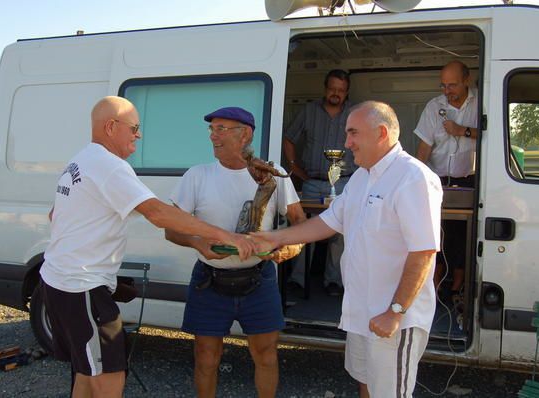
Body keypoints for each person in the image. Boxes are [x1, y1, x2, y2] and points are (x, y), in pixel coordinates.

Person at [39, 97, 256, 398]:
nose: (139, 135)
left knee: (87, 373)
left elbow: (55, 214)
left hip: (58, 283)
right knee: (110, 377)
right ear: (111, 126)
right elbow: (158, 213)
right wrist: (227, 236)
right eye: (135, 128)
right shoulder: (110, 166)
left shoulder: (80, 159)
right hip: (81, 288)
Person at [254, 101, 442, 398]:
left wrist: (395, 311)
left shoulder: (413, 177)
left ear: (381, 133)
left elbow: (424, 252)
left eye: (353, 133)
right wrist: (273, 239)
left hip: (393, 318)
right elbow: (328, 222)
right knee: (365, 384)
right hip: (362, 312)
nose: (346, 143)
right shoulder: (361, 177)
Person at [165, 107, 305, 398]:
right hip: (209, 279)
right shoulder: (197, 176)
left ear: (246, 135)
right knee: (205, 358)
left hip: (259, 278)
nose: (213, 136)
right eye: (211, 129)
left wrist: (293, 245)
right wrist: (196, 242)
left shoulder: (272, 174)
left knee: (266, 355)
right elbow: (171, 229)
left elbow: (300, 221)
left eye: (221, 129)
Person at [283, 69, 358, 296]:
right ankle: (298, 280)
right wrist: (296, 169)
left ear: (347, 92)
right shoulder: (309, 111)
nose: (336, 94)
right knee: (304, 229)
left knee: (340, 233)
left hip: (345, 183)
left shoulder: (355, 113)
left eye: (341, 90)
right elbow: (289, 138)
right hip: (312, 183)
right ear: (325, 89)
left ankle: (334, 281)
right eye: (332, 89)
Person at [414, 60, 478, 303]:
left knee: (462, 234)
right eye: (443, 85)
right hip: (438, 179)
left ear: (466, 80)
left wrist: (463, 131)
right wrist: (415, 180)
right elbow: (424, 147)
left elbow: (493, 134)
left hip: (470, 179)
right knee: (436, 233)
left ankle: (458, 287)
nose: (447, 91)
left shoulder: (482, 102)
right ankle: (434, 283)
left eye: (452, 85)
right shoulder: (434, 106)